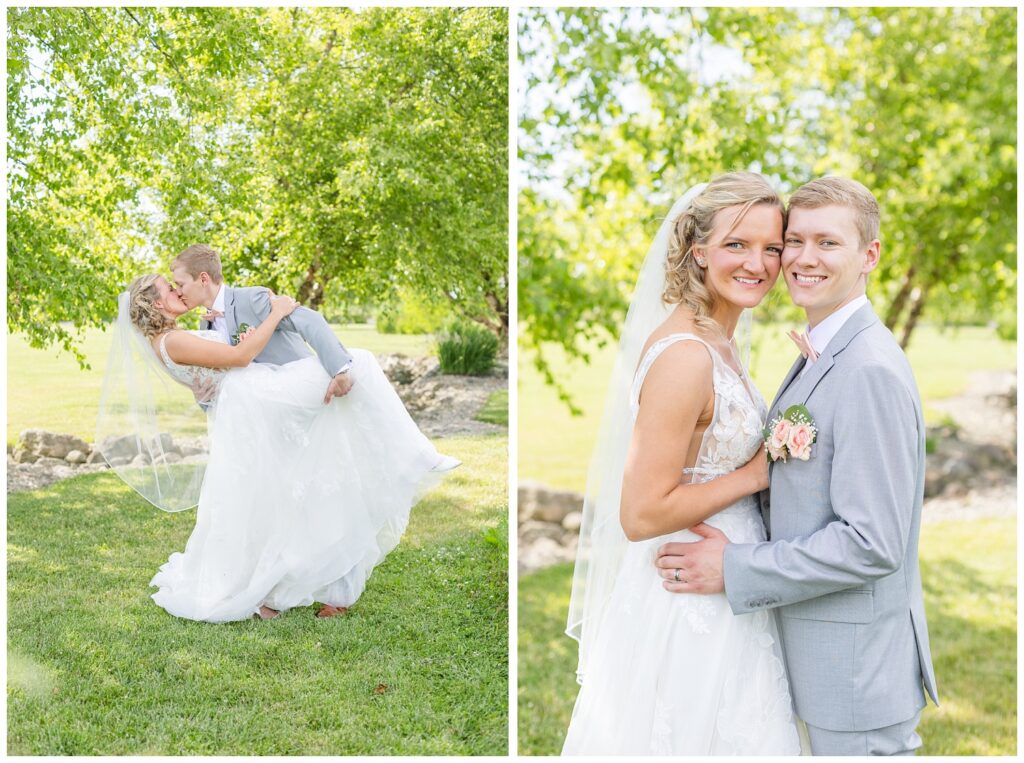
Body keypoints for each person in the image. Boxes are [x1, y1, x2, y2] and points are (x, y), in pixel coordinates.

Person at [655, 177, 938, 755]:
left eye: (828, 243)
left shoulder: (868, 370)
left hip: (854, 675)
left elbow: (872, 543)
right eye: (795, 241)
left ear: (870, 255)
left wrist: (737, 566)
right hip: (814, 659)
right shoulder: (824, 351)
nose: (804, 259)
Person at [562, 173, 803, 755]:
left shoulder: (719, 339)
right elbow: (641, 513)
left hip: (726, 575)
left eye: (772, 247)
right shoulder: (687, 357)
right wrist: (755, 473)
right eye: (737, 245)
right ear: (698, 251)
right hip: (686, 594)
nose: (759, 264)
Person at [101, 271, 458, 623]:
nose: (178, 291)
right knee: (359, 361)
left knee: (271, 499)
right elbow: (239, 358)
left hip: (247, 406)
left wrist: (217, 324)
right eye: (170, 289)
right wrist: (277, 312)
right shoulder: (171, 341)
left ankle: (278, 588)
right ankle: (415, 456)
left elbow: (211, 367)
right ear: (154, 303)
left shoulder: (169, 339)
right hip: (254, 399)